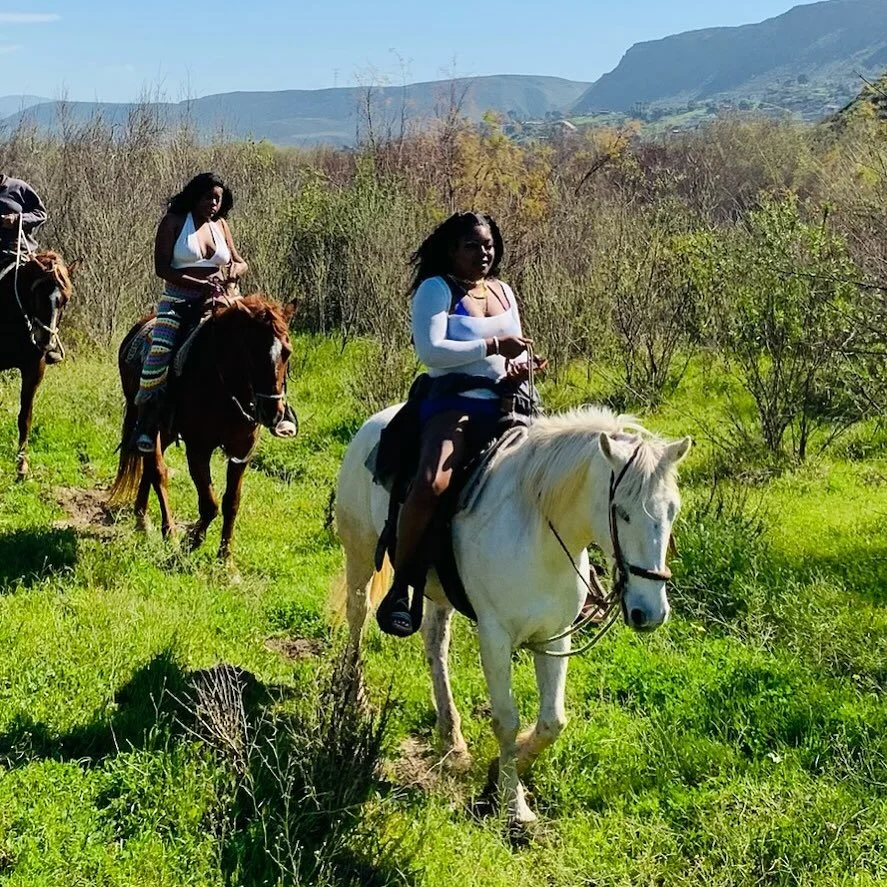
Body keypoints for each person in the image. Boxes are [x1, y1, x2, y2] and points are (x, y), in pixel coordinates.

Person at [375, 211, 544, 637]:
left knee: (559, 473)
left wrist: (523, 367)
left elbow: (515, 349)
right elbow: (432, 351)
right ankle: (404, 583)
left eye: (488, 245)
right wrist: (490, 344)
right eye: (472, 245)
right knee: (432, 482)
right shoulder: (437, 289)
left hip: (510, 403)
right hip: (453, 405)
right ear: (452, 249)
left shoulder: (504, 291)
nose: (483, 253)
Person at [133, 171, 295, 452]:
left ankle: (281, 407)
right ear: (195, 196)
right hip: (180, 302)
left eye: (218, 199)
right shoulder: (173, 223)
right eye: (208, 197)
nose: (213, 204)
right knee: (159, 350)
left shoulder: (221, 225)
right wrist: (200, 284)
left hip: (225, 299)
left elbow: (241, 261)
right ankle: (148, 420)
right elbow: (162, 268)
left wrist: (235, 269)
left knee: (268, 341)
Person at [0, 173, 63, 364]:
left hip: (21, 253)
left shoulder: (18, 188)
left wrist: (18, 219)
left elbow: (40, 213)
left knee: (51, 286)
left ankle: (50, 342)